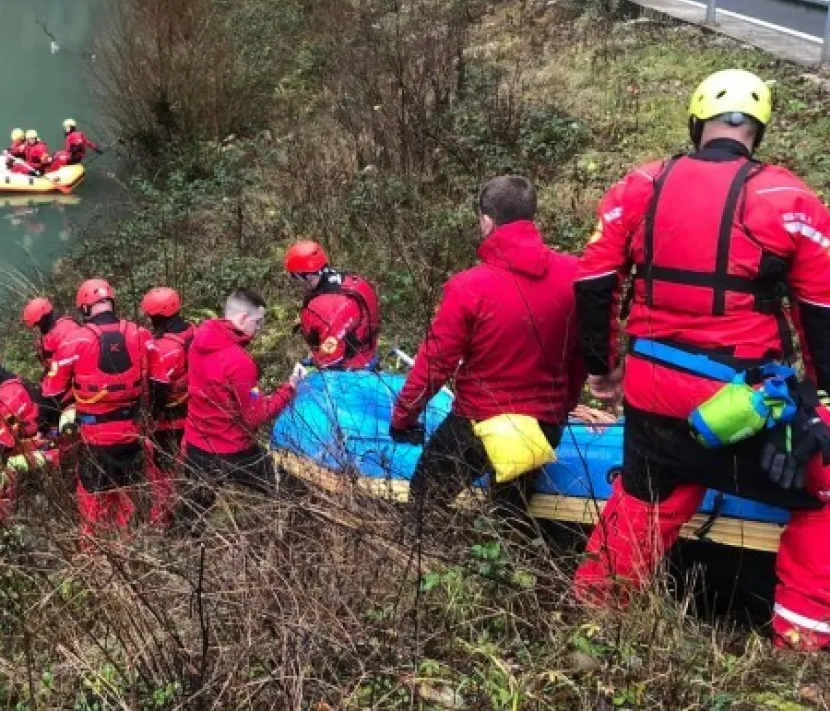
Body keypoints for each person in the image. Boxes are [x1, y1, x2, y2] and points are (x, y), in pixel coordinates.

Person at [572, 69, 830, 650]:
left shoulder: (638, 186)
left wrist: (602, 366)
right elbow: (821, 314)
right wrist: (820, 397)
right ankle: (800, 641)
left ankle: (595, 613)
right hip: (743, 405)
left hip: (652, 391)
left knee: (646, 494)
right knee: (823, 494)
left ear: (696, 123)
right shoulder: (790, 200)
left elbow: (592, 282)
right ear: (757, 133)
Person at [388, 176, 585, 528]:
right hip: (543, 424)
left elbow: (436, 363)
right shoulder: (575, 274)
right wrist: (562, 407)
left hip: (479, 422)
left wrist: (404, 417)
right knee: (512, 517)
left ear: (487, 221)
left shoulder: (468, 287)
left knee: (423, 501)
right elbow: (584, 353)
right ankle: (510, 575)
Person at [180, 289, 306, 533]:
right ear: (243, 319)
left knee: (192, 518)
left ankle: (177, 556)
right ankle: (292, 542)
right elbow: (254, 417)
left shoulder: (197, 342)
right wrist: (290, 388)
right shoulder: (239, 362)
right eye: (258, 322)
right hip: (233, 451)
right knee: (291, 491)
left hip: (197, 446)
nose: (259, 329)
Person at [40, 279, 151, 541]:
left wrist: (49, 424)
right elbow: (158, 383)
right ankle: (126, 547)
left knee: (91, 499)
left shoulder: (74, 341)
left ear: (85, 309)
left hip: (95, 435)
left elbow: (52, 393)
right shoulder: (140, 334)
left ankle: (92, 553)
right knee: (127, 495)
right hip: (132, 431)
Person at [0, 348, 54, 523]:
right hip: (41, 441)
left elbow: (3, 443)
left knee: (0, 506)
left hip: (40, 449)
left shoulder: (8, 395)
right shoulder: (13, 382)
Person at [141, 286, 196, 526]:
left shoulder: (165, 348)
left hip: (170, 419)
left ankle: (163, 519)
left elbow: (157, 388)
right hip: (196, 411)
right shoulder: (194, 332)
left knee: (162, 472)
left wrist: (150, 414)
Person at [285, 240, 381, 370]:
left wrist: (312, 364)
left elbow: (331, 358)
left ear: (305, 277)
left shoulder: (323, 309)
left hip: (350, 370)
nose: (294, 283)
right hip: (369, 354)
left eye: (294, 278)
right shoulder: (353, 281)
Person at [22, 297, 79, 372]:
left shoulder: (54, 338)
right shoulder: (68, 322)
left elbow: (58, 369)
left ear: (42, 321)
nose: (37, 329)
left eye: (37, 325)